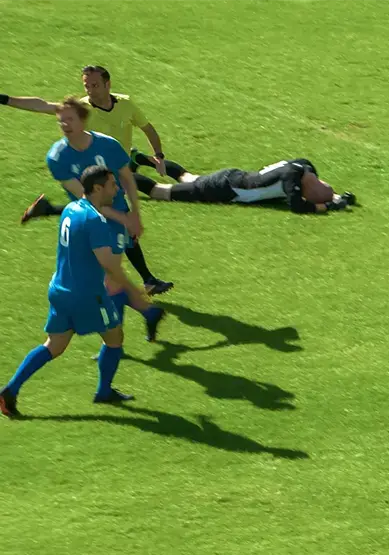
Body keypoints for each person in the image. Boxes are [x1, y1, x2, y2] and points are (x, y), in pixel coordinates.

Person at [0, 166, 162, 419]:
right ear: (98, 188)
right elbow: (110, 266)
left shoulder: (71, 209)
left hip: (60, 289)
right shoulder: (95, 221)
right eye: (112, 185)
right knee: (115, 337)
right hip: (87, 294)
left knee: (55, 345)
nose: (116, 189)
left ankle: (10, 389)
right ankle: (104, 391)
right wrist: (134, 292)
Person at [1, 65, 174, 293]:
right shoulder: (81, 110)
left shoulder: (125, 104)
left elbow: (148, 128)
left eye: (94, 85)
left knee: (114, 221)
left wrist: (159, 155)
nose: (90, 90)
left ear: (107, 84)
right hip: (90, 175)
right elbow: (41, 104)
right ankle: (136, 284)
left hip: (116, 168)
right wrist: (4, 99)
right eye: (86, 85)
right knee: (109, 221)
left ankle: (49, 210)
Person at [131, 154, 355, 214]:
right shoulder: (291, 180)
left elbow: (315, 188)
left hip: (232, 177)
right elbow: (298, 206)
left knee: (187, 177)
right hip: (225, 189)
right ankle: (119, 173)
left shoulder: (304, 166)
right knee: (161, 192)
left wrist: (335, 197)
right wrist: (326, 206)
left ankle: (140, 158)